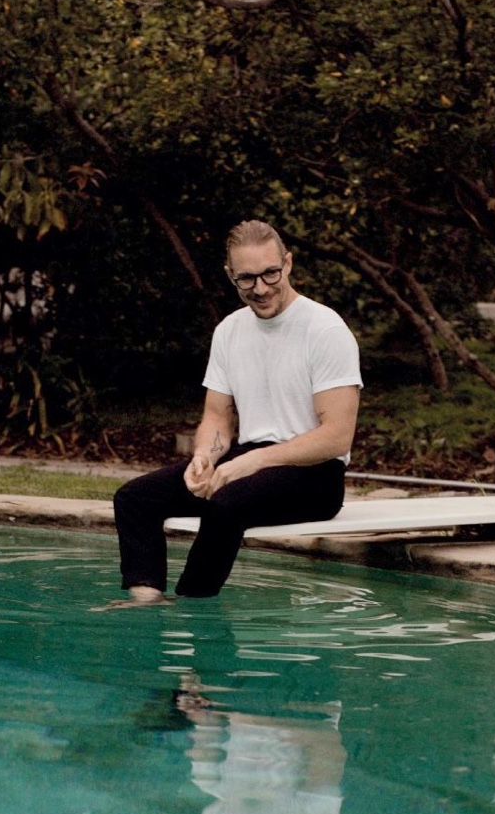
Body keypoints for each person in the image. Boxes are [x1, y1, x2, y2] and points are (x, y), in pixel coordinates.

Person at [106, 219, 362, 606]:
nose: (260, 288)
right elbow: (218, 417)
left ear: (287, 264)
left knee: (226, 503)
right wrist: (203, 458)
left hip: (315, 476)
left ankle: (192, 607)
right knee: (135, 498)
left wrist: (250, 463)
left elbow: (336, 437)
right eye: (246, 279)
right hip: (248, 463)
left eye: (270, 274)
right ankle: (146, 604)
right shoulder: (229, 331)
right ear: (230, 276)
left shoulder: (325, 329)